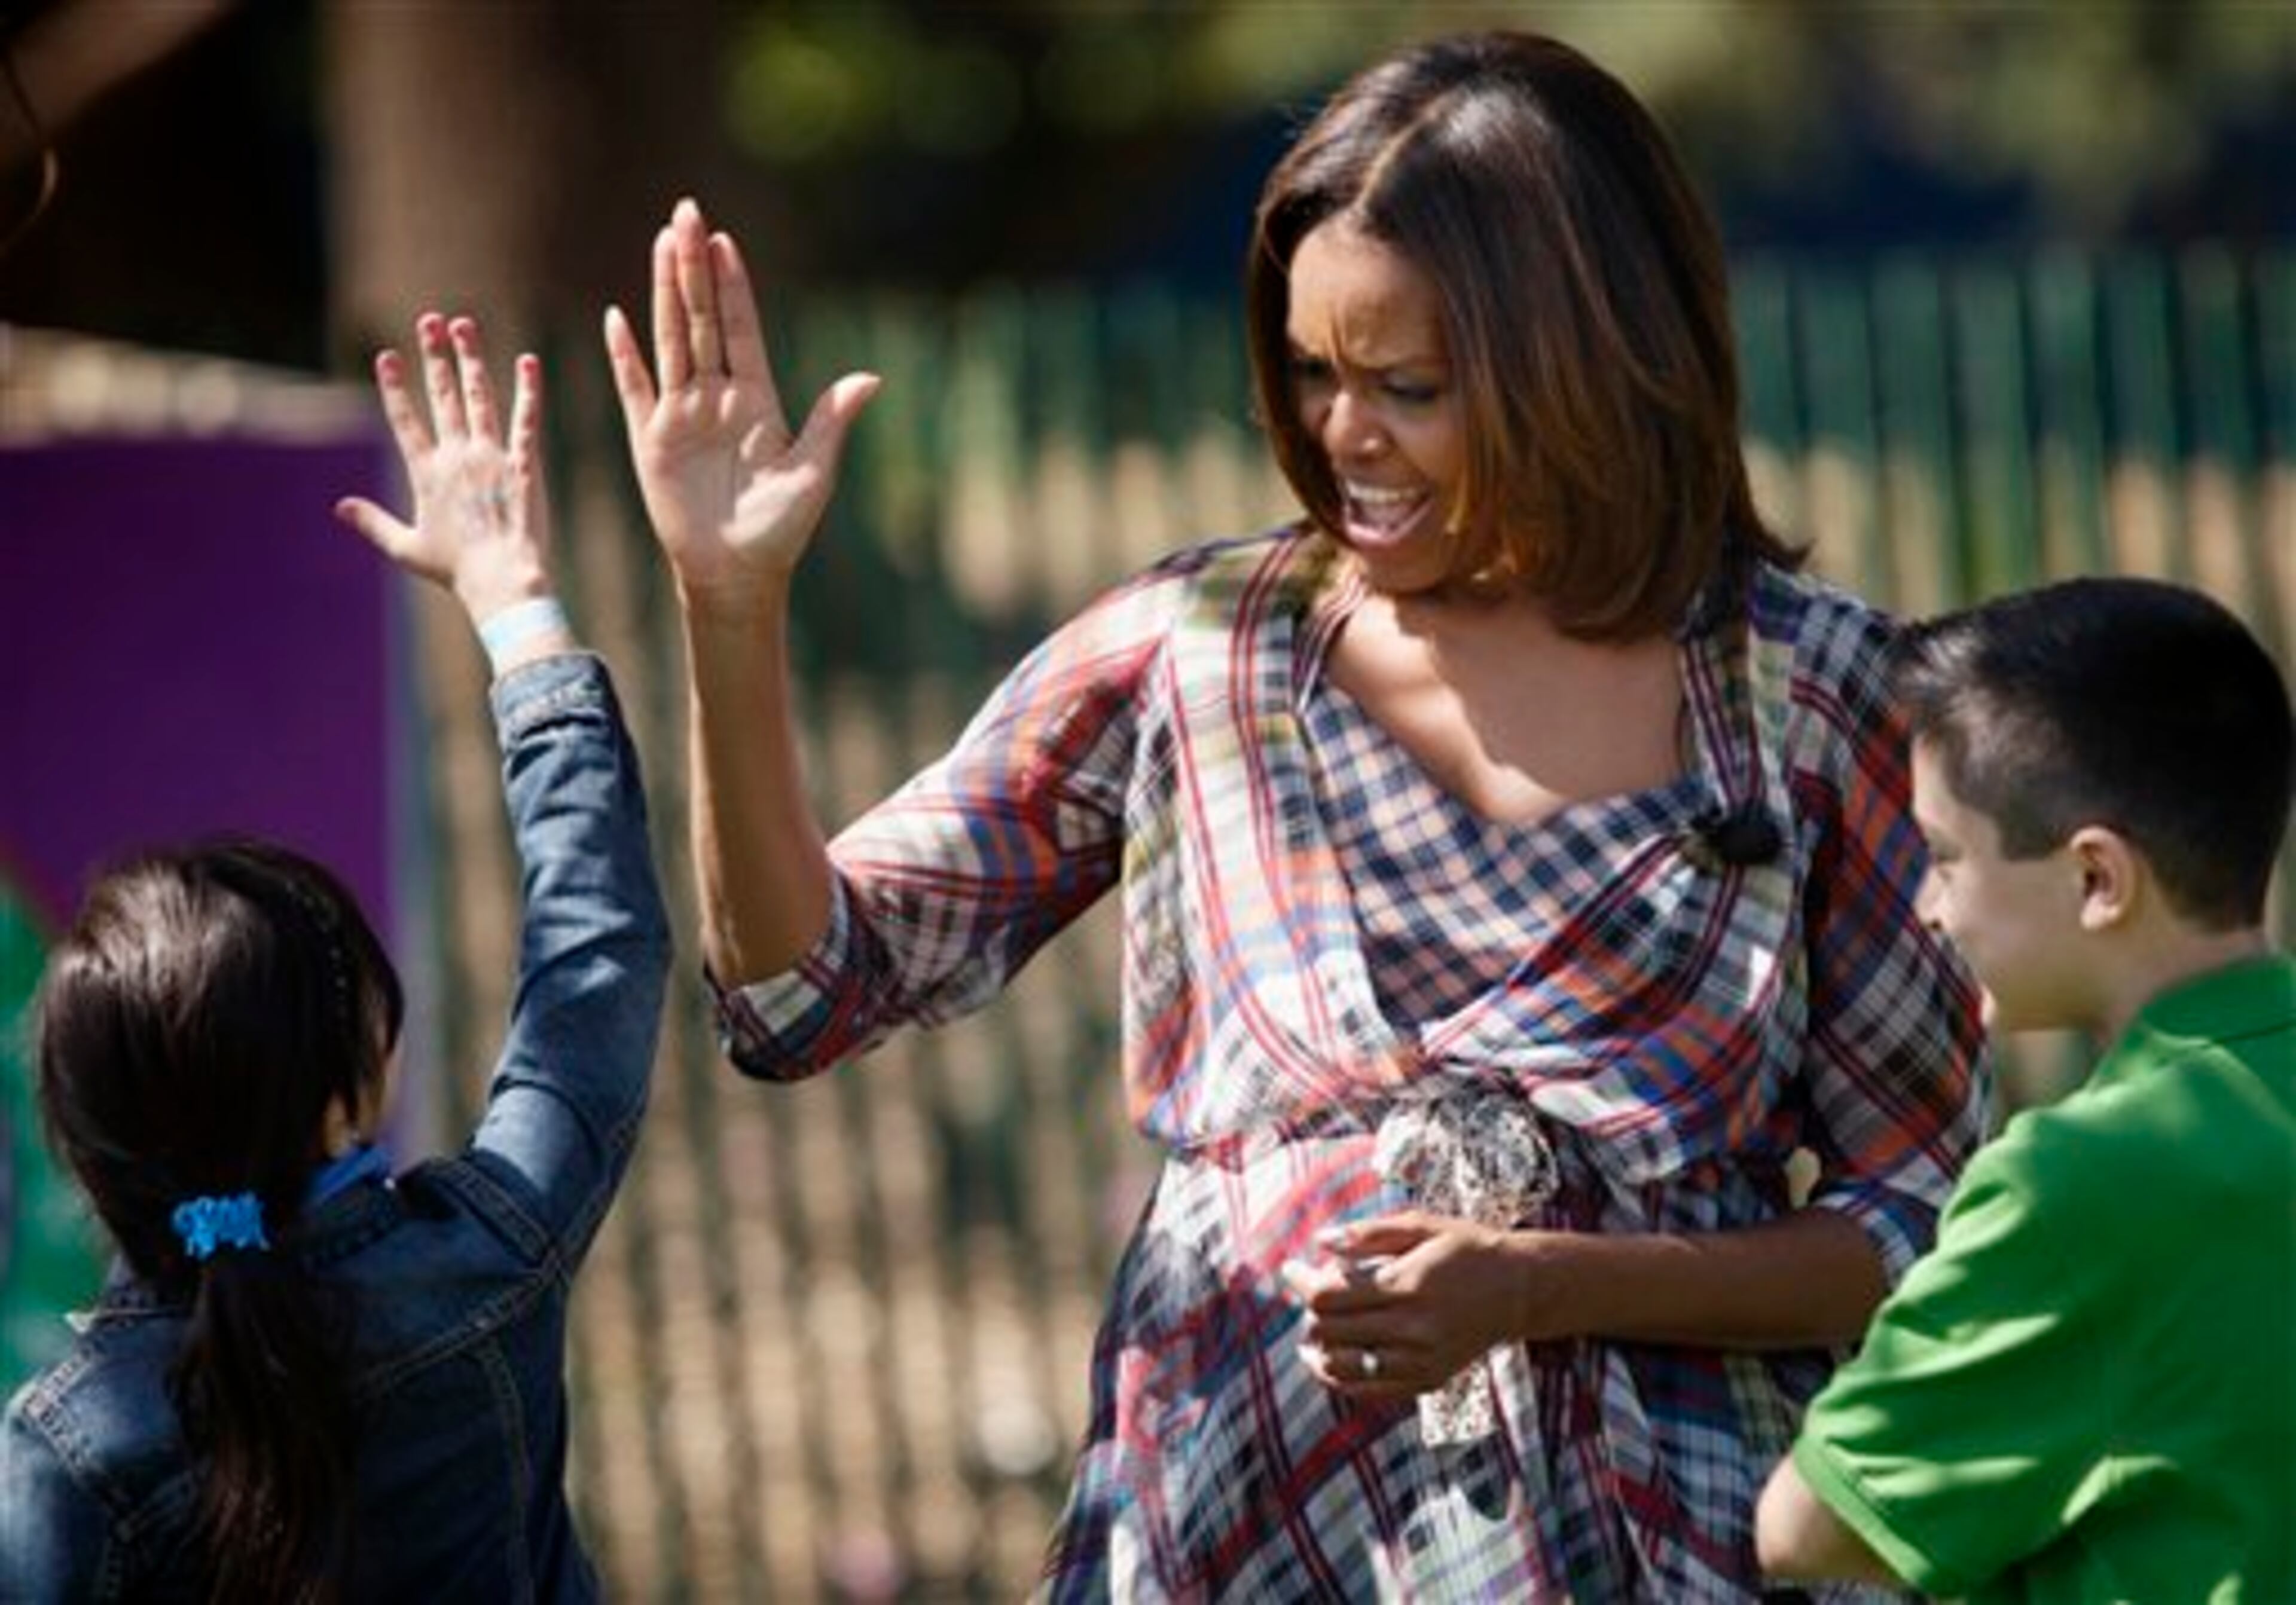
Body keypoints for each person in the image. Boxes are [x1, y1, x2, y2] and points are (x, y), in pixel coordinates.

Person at [606, 29, 1986, 1599]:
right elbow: (801, 988)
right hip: (1235, 1525)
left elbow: (1914, 1226)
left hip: (1661, 1547)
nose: (1344, 435)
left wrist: (1547, 1284)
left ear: (1590, 363)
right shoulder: (1199, 651)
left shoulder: (1812, 697)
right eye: (1317, 373)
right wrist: (730, 608)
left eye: (1409, 385)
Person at [0, 315, 670, 1600]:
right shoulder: (490, 1254)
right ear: (345, 1092)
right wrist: (515, 607)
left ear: (83, 1146)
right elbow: (601, 944)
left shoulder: (70, 1447)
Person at [1756, 576, 2296, 1601]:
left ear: (2097, 877)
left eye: (1947, 857)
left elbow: (1806, 1526)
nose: (1927, 908)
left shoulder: (2081, 1184)